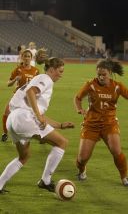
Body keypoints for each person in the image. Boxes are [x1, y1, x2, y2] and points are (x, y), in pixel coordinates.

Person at [0, 57, 74, 194]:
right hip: (24, 118)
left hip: (13, 120)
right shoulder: (45, 79)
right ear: (51, 70)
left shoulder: (38, 79)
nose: (61, 74)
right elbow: (30, 93)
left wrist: (60, 125)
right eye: (60, 71)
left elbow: (37, 113)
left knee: (24, 157)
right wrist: (38, 115)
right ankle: (45, 181)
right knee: (62, 143)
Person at [74, 58, 128, 186]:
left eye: (104, 74)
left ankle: (124, 177)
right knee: (82, 158)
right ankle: (82, 170)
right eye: (99, 74)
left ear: (110, 73)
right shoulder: (90, 85)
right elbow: (77, 98)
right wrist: (79, 109)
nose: (101, 77)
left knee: (116, 150)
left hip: (109, 124)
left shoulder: (117, 86)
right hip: (91, 124)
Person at [1, 49, 40, 142]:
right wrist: (14, 80)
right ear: (22, 57)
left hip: (29, 98)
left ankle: (40, 134)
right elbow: (8, 84)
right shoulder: (18, 69)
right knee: (6, 113)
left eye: (28, 56)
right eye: (25, 56)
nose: (26, 58)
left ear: (31, 58)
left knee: (36, 115)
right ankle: (5, 133)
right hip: (17, 96)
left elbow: (38, 85)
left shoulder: (36, 71)